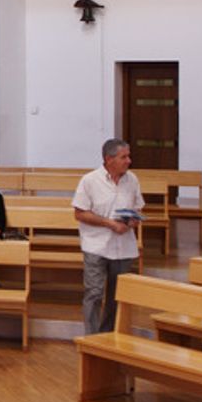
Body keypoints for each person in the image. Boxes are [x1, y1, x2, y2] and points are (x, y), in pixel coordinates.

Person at [72, 138, 143, 335]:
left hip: (123, 247)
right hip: (97, 245)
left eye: (128, 156)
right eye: (124, 157)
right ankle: (92, 338)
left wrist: (133, 220)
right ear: (109, 159)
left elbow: (138, 207)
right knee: (94, 293)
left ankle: (109, 336)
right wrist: (110, 223)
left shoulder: (132, 180)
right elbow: (79, 213)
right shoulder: (90, 180)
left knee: (116, 296)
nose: (129, 161)